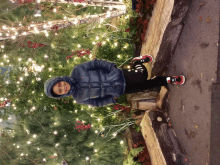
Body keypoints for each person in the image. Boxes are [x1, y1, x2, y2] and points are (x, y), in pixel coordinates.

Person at [44, 55, 185, 107]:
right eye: (60, 90)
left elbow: (95, 63)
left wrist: (111, 67)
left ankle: (137, 63)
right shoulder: (79, 98)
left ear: (61, 79)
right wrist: (112, 98)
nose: (64, 87)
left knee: (142, 76)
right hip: (119, 90)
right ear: (62, 95)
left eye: (60, 84)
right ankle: (165, 80)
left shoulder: (77, 70)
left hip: (118, 76)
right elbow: (97, 102)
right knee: (144, 86)